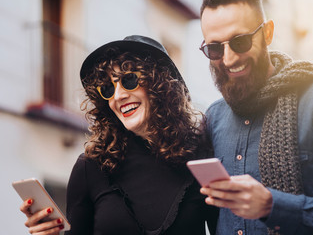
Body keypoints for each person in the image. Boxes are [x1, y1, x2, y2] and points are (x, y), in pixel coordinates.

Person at [19, 35, 218, 235]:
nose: (118, 96)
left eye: (129, 80)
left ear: (161, 85)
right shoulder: (90, 167)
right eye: (108, 88)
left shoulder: (201, 157)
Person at [198, 0, 313, 234]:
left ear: (267, 33)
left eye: (240, 42)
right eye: (214, 48)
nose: (229, 58)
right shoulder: (213, 118)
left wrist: (274, 206)